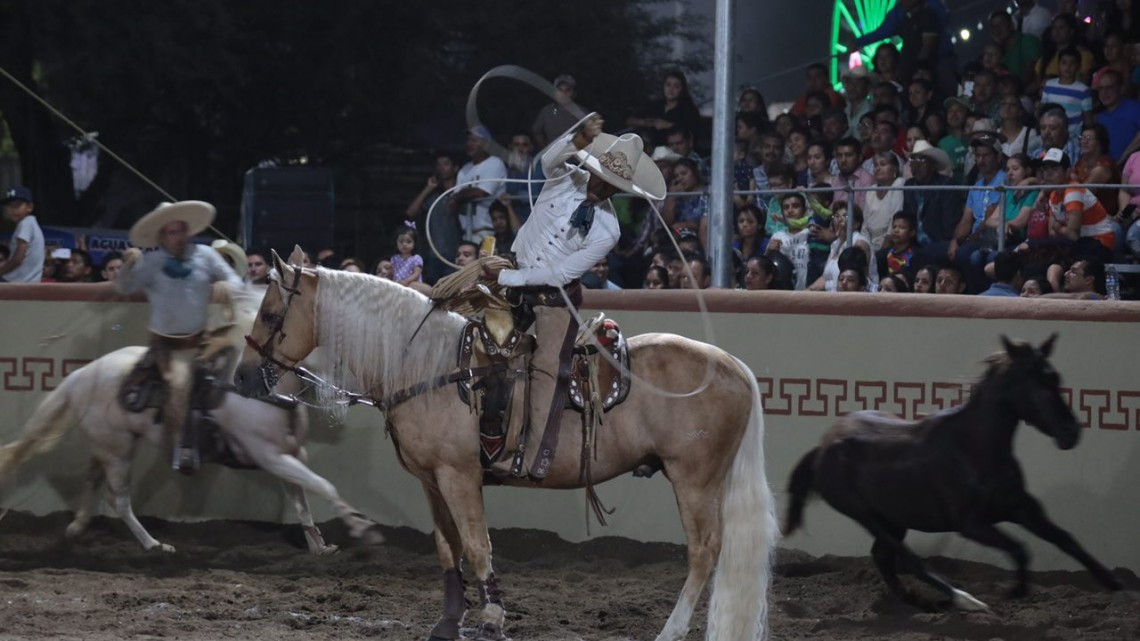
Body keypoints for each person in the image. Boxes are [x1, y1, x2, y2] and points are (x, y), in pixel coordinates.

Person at [485, 114, 665, 479]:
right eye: (603, 178)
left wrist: (506, 276)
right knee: (472, 341)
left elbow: (562, 274)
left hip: (553, 297)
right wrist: (579, 138)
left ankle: (533, 459)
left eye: (614, 186)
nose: (604, 188)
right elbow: (548, 160)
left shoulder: (608, 229)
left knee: (548, 369)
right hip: (512, 273)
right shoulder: (565, 176)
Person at [115, 201, 243, 472]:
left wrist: (222, 289)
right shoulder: (150, 263)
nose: (178, 237)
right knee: (179, 384)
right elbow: (123, 287)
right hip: (170, 345)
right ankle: (181, 447)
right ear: (162, 236)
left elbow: (235, 280)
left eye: (181, 230)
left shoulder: (206, 255)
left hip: (204, 337)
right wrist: (128, 265)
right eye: (171, 232)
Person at [406, 152, 461, 284]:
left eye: (446, 164)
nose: (442, 168)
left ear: (455, 168)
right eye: (439, 165)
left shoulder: (462, 193)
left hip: (457, 254)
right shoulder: (434, 197)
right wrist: (429, 188)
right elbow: (411, 212)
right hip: (434, 254)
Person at [451, 126, 507, 244]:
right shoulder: (464, 169)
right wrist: (459, 196)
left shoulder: (495, 163)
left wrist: (460, 196)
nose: (469, 144)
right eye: (468, 140)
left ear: (486, 144)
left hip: (489, 232)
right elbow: (454, 199)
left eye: (474, 140)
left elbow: (481, 192)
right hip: (467, 233)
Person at [626, 70, 702, 148]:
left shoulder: (689, 109)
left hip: (675, 152)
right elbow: (629, 120)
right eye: (668, 85)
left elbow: (693, 132)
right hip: (650, 151)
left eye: (676, 86)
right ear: (663, 86)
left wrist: (669, 125)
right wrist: (648, 123)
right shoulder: (655, 105)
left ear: (682, 89)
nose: (671, 89)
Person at [1040, 48, 1094, 141]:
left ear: (1078, 66)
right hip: (1049, 136)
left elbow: (1087, 119)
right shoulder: (1049, 85)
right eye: (1064, 63)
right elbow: (1043, 111)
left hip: (1072, 138)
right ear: (1058, 65)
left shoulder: (1083, 90)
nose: (1068, 67)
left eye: (1072, 64)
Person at [1093, 70, 1140, 162]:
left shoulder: (1135, 108)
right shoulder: (1099, 119)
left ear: (1121, 88)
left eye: (1109, 87)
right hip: (1109, 170)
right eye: (1101, 88)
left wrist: (1125, 155)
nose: (1104, 92)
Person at [0, 186, 44, 283]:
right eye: (9, 206)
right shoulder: (30, 223)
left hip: (17, 280)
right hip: (28, 280)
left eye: (17, 205)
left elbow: (17, 259)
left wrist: (1, 271)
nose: (12, 210)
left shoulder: (26, 223)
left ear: (30, 207)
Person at [532, 74, 584, 149]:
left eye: (567, 90)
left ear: (573, 93)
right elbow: (536, 131)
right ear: (555, 92)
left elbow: (592, 134)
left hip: (575, 158)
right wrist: (544, 149)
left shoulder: (582, 111)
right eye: (560, 90)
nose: (563, 93)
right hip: (552, 158)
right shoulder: (546, 111)